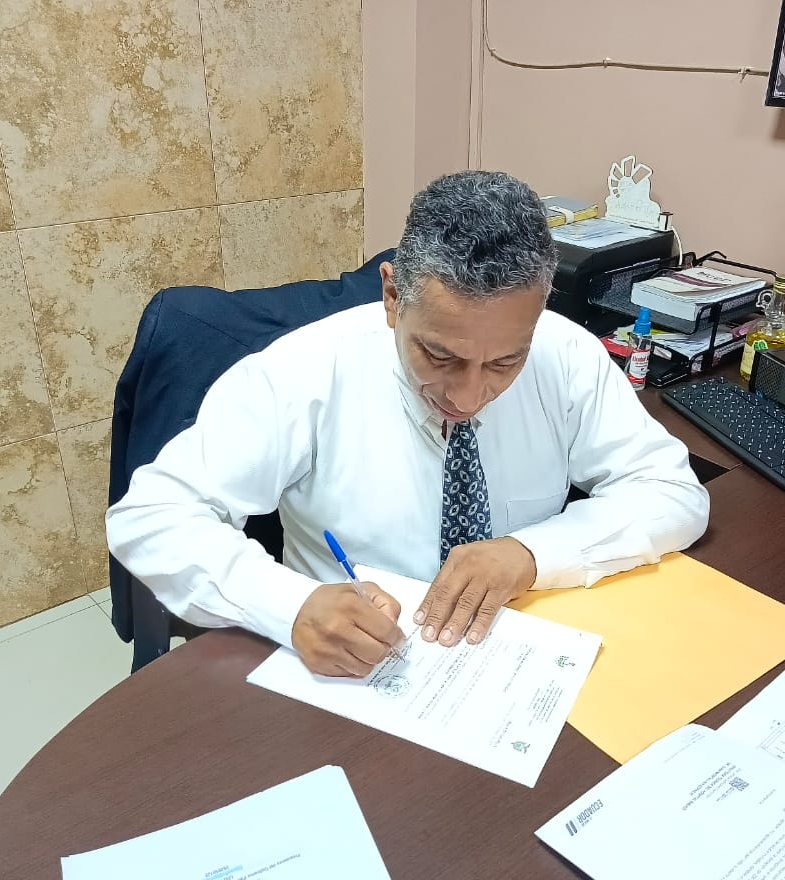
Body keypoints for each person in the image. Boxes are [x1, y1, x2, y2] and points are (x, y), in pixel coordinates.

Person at [106, 171, 709, 678]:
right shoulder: (302, 372)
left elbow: (673, 492)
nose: (468, 397)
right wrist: (290, 606)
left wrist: (532, 553)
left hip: (517, 659)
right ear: (393, 297)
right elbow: (151, 516)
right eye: (440, 356)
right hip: (351, 668)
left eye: (504, 362)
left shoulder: (566, 355)